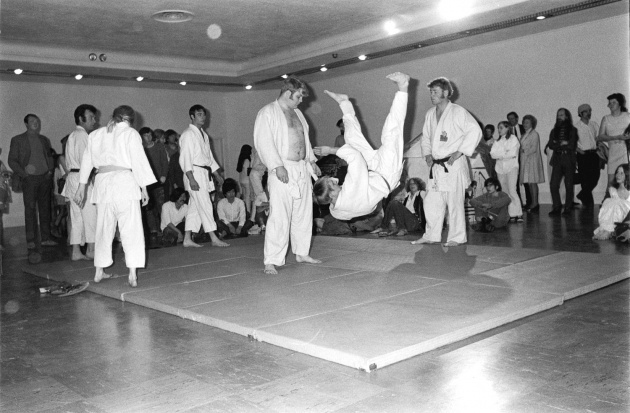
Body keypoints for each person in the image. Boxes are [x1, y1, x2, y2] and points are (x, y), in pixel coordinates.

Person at [75, 105, 156, 288]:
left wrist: (82, 186)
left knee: (103, 229)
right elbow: (138, 160)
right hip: (125, 184)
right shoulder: (130, 133)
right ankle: (132, 273)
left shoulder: (96, 134)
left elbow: (87, 160)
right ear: (130, 120)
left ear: (114, 117)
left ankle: (98, 271)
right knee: (131, 229)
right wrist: (143, 187)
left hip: (103, 185)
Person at [313, 72, 410, 221]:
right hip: (387, 172)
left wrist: (321, 188)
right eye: (332, 183)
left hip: (371, 171)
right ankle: (403, 86)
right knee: (392, 132)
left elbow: (336, 204)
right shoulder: (350, 195)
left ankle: (344, 103)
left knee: (352, 140)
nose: (335, 180)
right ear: (332, 194)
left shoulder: (337, 207)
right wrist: (330, 151)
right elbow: (355, 158)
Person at [253, 76, 322, 274]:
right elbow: (263, 142)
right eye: (299, 96)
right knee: (280, 215)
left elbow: (304, 140)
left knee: (303, 212)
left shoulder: (298, 114)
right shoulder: (268, 112)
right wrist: (276, 166)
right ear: (287, 92)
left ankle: (301, 252)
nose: (301, 100)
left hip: (301, 168)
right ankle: (271, 260)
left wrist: (311, 162)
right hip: (282, 167)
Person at [411, 77, 482, 246]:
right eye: (430, 92)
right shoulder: (430, 114)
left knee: (454, 203)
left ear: (445, 92)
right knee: (431, 202)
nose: (431, 95)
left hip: (453, 165)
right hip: (436, 166)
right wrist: (427, 153)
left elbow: (475, 131)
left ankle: (456, 237)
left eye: (435, 92)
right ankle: (431, 235)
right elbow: (426, 137)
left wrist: (460, 152)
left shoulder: (458, 111)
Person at [179, 104, 229, 248]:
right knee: (206, 204)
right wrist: (191, 178)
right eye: (199, 114)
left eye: (204, 114)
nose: (203, 117)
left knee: (195, 207)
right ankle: (213, 237)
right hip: (193, 172)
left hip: (203, 172)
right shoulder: (188, 134)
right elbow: (185, 158)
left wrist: (217, 174)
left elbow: (209, 157)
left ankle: (187, 238)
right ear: (192, 116)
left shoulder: (204, 134)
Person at [8, 114, 57, 249]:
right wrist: (24, 175)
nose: (35, 123)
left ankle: (45, 238)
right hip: (29, 180)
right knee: (30, 210)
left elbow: (50, 157)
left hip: (44, 179)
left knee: (45, 209)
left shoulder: (44, 140)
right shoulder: (18, 140)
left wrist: (50, 171)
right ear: (26, 124)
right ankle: (31, 240)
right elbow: (12, 160)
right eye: (32, 121)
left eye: (37, 121)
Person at [62, 104, 98, 260]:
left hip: (72, 179)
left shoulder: (72, 135)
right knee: (91, 215)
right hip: (81, 179)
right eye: (91, 117)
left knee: (76, 217)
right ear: (81, 119)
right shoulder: (83, 136)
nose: (94, 120)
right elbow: (87, 161)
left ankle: (76, 251)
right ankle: (91, 249)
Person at [140, 127, 169, 243]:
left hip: (159, 181)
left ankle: (164, 229)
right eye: (146, 135)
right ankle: (153, 230)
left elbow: (165, 162)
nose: (149, 137)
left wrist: (164, 175)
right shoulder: (140, 148)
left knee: (161, 206)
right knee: (148, 208)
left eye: (150, 135)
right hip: (146, 183)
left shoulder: (159, 146)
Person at [548, 108, 579, 216]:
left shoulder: (572, 130)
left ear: (566, 116)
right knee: (553, 184)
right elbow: (551, 145)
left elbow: (571, 145)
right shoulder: (554, 130)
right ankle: (557, 206)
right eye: (558, 115)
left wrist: (559, 143)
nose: (559, 117)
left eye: (561, 115)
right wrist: (562, 143)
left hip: (568, 159)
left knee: (569, 184)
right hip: (557, 158)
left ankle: (568, 207)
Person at [491, 121, 523, 222]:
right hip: (500, 168)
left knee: (512, 190)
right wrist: (504, 153)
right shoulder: (497, 141)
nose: (499, 130)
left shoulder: (513, 139)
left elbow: (513, 153)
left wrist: (500, 154)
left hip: (511, 167)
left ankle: (517, 214)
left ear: (507, 128)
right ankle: (509, 213)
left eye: (501, 128)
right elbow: (492, 154)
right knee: (504, 191)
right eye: (498, 128)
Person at [598, 93, 630, 187]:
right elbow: (600, 136)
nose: (611, 105)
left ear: (620, 104)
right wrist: (616, 137)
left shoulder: (627, 116)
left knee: (627, 180)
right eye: (610, 103)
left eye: (613, 102)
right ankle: (608, 200)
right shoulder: (606, 119)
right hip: (613, 153)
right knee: (611, 183)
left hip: (626, 153)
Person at [593, 164, 630, 240]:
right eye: (617, 172)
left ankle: (608, 231)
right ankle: (605, 230)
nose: (618, 175)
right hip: (612, 217)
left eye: (621, 173)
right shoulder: (612, 190)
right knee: (610, 202)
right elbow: (604, 207)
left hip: (626, 218)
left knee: (616, 204)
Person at [574, 104, 600, 209]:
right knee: (585, 179)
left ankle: (582, 195)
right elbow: (572, 142)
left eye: (589, 111)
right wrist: (579, 151)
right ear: (580, 113)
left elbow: (598, 138)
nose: (588, 113)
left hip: (593, 154)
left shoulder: (594, 124)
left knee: (595, 177)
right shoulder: (576, 127)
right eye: (586, 111)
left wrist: (598, 147)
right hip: (583, 155)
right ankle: (588, 205)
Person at [519, 114, 545, 213]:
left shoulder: (534, 134)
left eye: (527, 122)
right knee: (529, 184)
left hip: (532, 160)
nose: (524, 124)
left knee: (532, 183)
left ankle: (535, 203)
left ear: (532, 124)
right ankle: (532, 203)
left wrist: (523, 150)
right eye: (524, 122)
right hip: (526, 161)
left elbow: (533, 148)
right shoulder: (524, 134)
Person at [236, 144, 253, 214]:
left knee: (244, 197)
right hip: (246, 181)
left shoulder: (241, 159)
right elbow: (247, 172)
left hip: (241, 180)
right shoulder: (247, 160)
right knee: (248, 197)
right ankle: (248, 212)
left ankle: (243, 212)